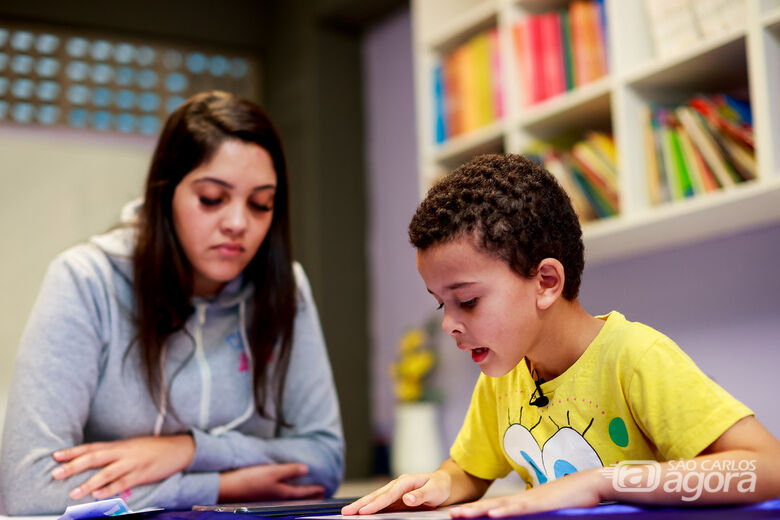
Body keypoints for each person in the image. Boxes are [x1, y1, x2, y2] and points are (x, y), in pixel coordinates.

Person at [343, 154, 780, 517]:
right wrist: (439, 483)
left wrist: (599, 484)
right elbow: (472, 469)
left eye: (468, 301)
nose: (449, 324)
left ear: (546, 282)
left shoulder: (636, 357)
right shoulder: (502, 375)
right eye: (442, 303)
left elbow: (770, 468)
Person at [0, 91, 344, 515]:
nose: (238, 223)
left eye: (261, 204)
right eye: (212, 198)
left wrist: (187, 451)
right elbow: (27, 492)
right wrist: (217, 487)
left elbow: (324, 462)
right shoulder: (86, 280)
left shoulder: (286, 286)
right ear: (165, 196)